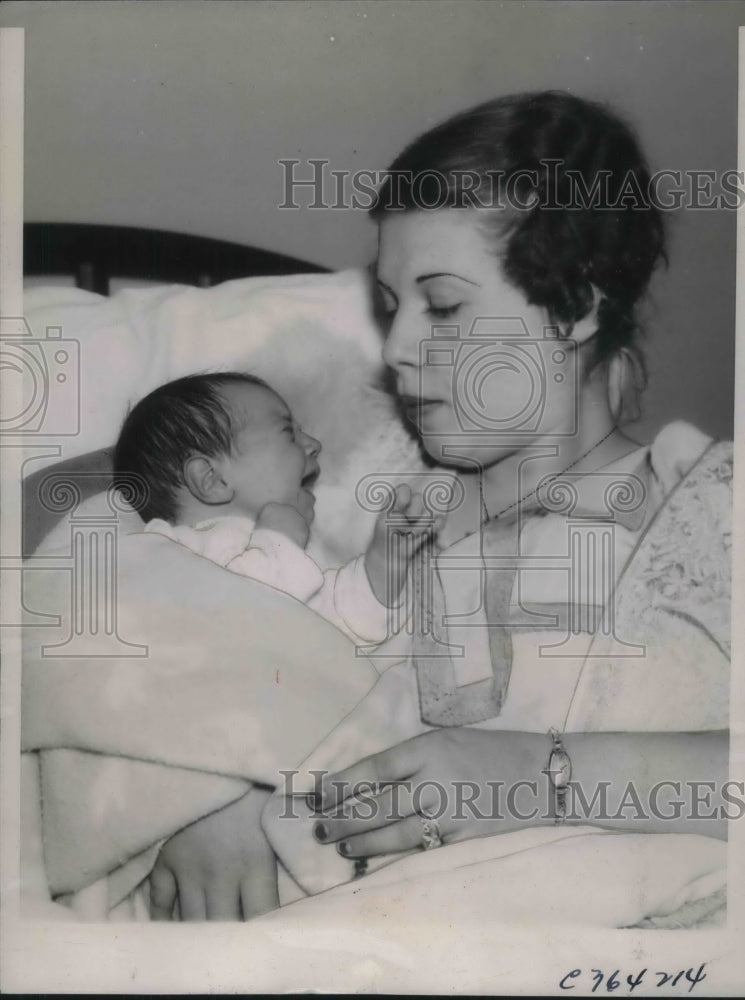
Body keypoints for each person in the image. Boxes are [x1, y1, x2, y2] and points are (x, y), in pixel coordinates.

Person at [147, 91, 732, 924]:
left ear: (574, 306)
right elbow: (145, 594)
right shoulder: (339, 492)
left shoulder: (704, 503)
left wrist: (537, 777)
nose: (395, 348)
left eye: (445, 306)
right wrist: (190, 793)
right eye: (390, 305)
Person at [113, 370, 438, 917]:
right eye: (288, 431)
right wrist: (281, 539)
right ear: (211, 481)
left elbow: (337, 633)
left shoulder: (289, 556)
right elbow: (238, 629)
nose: (313, 444)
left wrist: (384, 561)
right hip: (225, 768)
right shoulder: (162, 552)